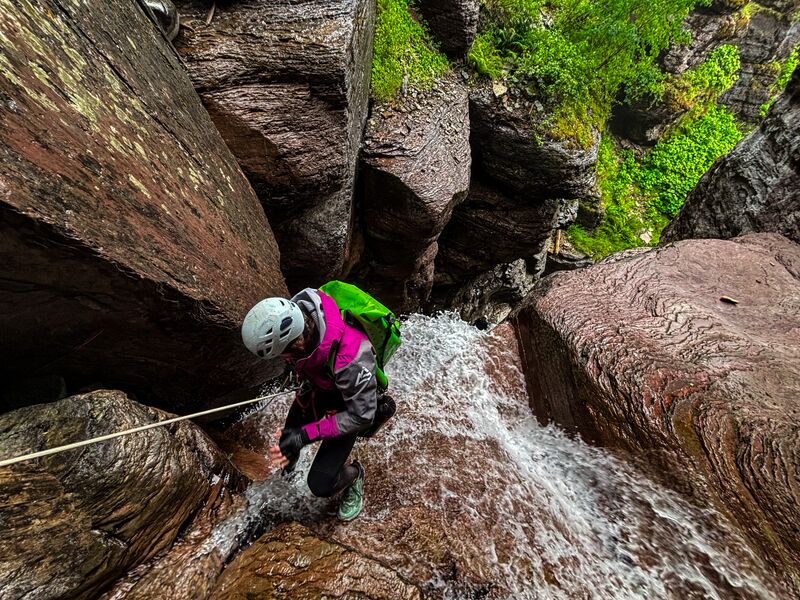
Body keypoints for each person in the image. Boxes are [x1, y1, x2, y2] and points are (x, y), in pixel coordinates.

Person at [241, 288, 395, 521]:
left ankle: (354, 476)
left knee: (320, 484)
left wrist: (306, 435)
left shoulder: (351, 358)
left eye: (284, 353)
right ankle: (288, 473)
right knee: (287, 440)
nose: (284, 360)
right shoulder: (304, 315)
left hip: (350, 407)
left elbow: (361, 415)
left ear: (297, 341)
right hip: (323, 385)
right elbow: (307, 362)